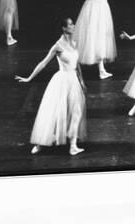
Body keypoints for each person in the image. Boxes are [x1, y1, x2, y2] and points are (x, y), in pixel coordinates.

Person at [15, 18, 87, 156]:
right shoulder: (57, 46)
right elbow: (43, 63)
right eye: (71, 24)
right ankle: (40, 142)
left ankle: (73, 145)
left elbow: (77, 65)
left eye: (73, 24)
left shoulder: (74, 43)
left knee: (76, 111)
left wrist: (82, 81)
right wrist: (29, 78)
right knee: (54, 112)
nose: (73, 26)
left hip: (74, 81)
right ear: (64, 28)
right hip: (61, 81)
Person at [44, 0, 117, 79]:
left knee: (102, 36)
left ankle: (101, 69)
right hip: (93, 7)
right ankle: (73, 64)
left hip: (104, 7)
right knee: (93, 36)